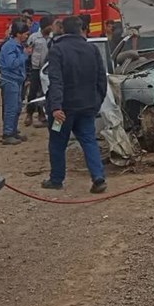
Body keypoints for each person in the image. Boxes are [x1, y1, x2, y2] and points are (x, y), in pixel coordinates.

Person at [43, 16, 108, 193]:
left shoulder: (57, 50)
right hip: (87, 108)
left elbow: (55, 81)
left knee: (57, 143)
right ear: (81, 29)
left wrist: (56, 107)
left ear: (63, 29)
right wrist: (96, 102)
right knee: (89, 141)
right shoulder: (92, 49)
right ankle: (98, 177)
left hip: (63, 111)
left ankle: (56, 179)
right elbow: (101, 79)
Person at [0, 21, 30, 145]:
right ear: (18, 34)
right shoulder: (9, 47)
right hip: (10, 81)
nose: (27, 36)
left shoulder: (17, 46)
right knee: (11, 109)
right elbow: (12, 64)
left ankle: (13, 131)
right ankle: (7, 134)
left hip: (17, 81)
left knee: (17, 108)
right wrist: (25, 55)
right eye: (25, 34)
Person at [24, 15, 53, 127]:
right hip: (35, 69)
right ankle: (29, 114)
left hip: (47, 70)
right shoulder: (34, 37)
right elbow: (28, 52)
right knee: (32, 93)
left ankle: (42, 114)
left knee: (45, 92)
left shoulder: (52, 37)